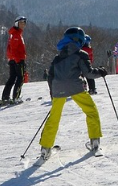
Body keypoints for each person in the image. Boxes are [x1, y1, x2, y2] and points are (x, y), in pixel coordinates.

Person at [37, 27, 109, 161]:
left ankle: (45, 149)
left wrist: (53, 94)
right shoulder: (81, 54)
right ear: (79, 40)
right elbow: (88, 73)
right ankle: (94, 142)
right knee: (91, 111)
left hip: (58, 88)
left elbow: (50, 76)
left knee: (54, 118)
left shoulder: (57, 57)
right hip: (76, 87)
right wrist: (101, 72)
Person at [0, 17, 27, 106]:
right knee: (20, 78)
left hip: (13, 59)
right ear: (16, 23)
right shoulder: (16, 35)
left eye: (24, 23)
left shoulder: (15, 33)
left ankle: (5, 98)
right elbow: (13, 49)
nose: (23, 25)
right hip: (17, 59)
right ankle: (15, 98)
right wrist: (18, 60)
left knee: (12, 78)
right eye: (21, 23)